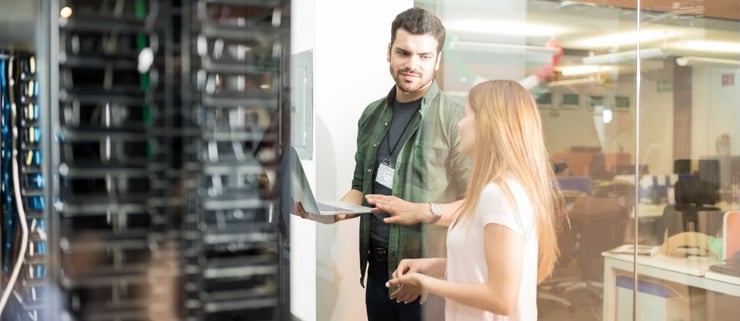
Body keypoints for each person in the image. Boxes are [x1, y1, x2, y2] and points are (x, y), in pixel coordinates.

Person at [295, 7, 470, 321]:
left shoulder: (457, 120)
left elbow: (475, 205)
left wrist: (422, 211)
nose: (412, 65)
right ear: (389, 52)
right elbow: (360, 189)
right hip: (377, 272)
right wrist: (328, 212)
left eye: (424, 56)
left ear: (438, 61)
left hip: (430, 276)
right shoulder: (371, 115)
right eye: (403, 52)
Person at [381, 80, 564, 321]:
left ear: (488, 125)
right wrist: (433, 266)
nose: (460, 124)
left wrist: (426, 283)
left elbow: (501, 297)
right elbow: (482, 267)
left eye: (466, 115)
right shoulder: (498, 190)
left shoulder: (500, 195)